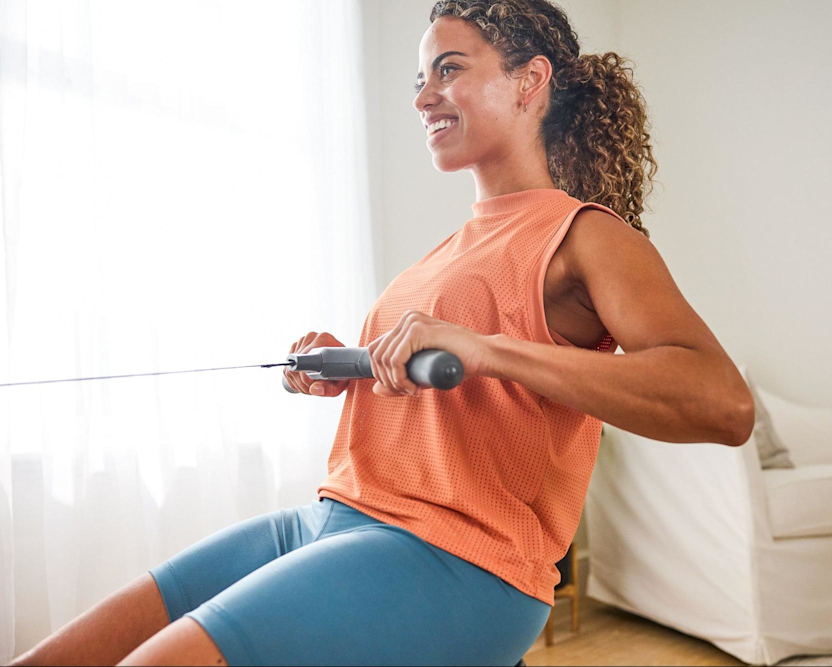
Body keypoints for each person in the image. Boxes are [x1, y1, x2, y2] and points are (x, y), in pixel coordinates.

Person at [7, 1, 754, 665]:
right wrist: (352, 365)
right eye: (418, 79)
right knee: (67, 652)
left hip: (458, 556)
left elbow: (722, 404)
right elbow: (444, 388)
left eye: (448, 69)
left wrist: (485, 348)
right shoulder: (448, 249)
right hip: (331, 517)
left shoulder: (584, 235)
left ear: (530, 82)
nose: (424, 96)